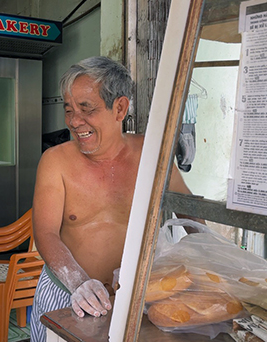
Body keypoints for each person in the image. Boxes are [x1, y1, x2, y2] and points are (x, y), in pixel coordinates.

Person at [29, 56, 195, 342]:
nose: (74, 122)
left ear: (119, 108)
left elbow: (189, 211)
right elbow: (45, 233)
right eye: (69, 110)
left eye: (86, 109)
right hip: (67, 293)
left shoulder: (151, 154)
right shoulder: (55, 161)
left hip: (136, 296)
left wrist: (202, 262)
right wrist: (79, 282)